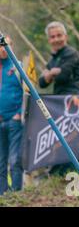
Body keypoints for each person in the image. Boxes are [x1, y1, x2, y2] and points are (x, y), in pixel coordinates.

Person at [39, 21, 79, 175]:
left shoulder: (71, 53)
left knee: (72, 138)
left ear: (66, 36)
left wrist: (50, 73)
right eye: (52, 37)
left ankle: (73, 174)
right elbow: (42, 82)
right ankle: (60, 172)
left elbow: (63, 76)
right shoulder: (54, 59)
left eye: (59, 35)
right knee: (60, 137)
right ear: (49, 40)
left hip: (73, 100)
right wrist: (52, 72)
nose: (56, 39)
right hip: (58, 102)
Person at [0, 35, 24, 195]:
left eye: (6, 45)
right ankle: (2, 195)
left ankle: (16, 194)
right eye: (0, 46)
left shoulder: (19, 67)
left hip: (15, 121)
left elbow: (29, 93)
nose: (3, 49)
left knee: (15, 160)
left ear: (11, 46)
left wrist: (20, 114)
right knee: (0, 162)